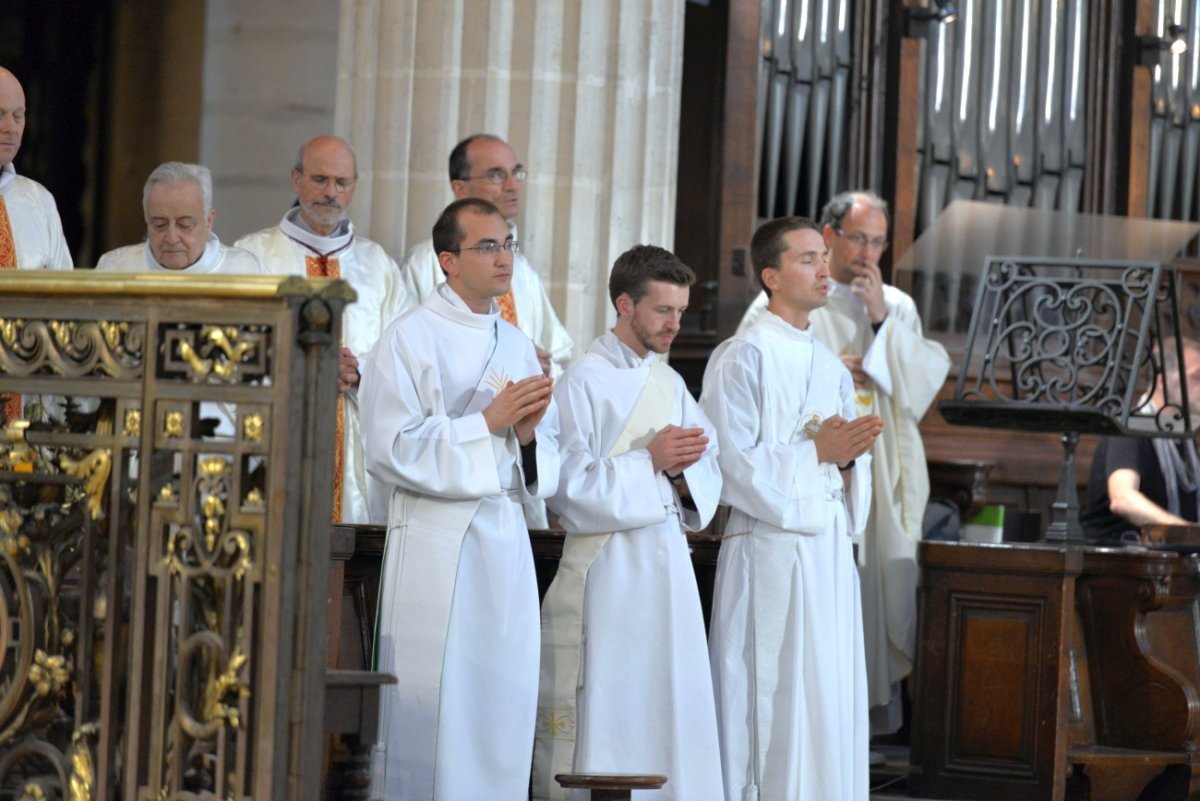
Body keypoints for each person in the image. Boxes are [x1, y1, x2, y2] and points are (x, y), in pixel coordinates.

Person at [360, 197, 560, 800]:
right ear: (448, 259)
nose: (505, 258)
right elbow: (388, 447)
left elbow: (543, 459)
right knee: (440, 701)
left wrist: (525, 440)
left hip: (502, 539)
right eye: (488, 247)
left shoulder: (517, 344)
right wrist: (487, 424)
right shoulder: (408, 338)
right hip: (434, 539)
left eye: (509, 244)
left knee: (499, 694)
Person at [741, 190, 950, 731]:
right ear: (830, 236)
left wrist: (881, 323)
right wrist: (828, 366)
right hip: (809, 472)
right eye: (859, 238)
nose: (868, 252)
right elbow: (757, 367)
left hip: (880, 466)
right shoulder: (787, 299)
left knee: (883, 585)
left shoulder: (896, 305)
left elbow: (922, 386)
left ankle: (866, 724)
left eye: (878, 241)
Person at [700, 216, 883, 801]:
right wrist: (817, 454)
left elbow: (844, 469)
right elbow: (730, 465)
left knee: (825, 692)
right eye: (808, 259)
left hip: (826, 551)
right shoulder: (740, 357)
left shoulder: (830, 364)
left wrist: (850, 461)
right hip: (769, 548)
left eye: (824, 257)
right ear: (771, 276)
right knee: (767, 697)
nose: (825, 268)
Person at [533, 245, 723, 801]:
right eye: (664, 310)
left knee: (668, 695)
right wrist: (652, 464)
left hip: (666, 566)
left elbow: (706, 471)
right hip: (608, 570)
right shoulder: (582, 383)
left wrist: (685, 479)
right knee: (613, 697)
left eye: (681, 312)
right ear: (624, 304)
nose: (675, 324)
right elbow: (567, 488)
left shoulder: (670, 384)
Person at [236, 135, 412, 524]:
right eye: (319, 180)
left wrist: (360, 370)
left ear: (354, 188)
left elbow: (410, 351)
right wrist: (304, 366)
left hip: (360, 452)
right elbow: (233, 347)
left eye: (341, 183)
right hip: (278, 438)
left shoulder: (377, 264)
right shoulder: (251, 255)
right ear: (296, 179)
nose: (330, 193)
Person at [398, 134, 573, 378]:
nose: (513, 186)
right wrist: (510, 356)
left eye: (516, 173)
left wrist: (541, 365)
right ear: (460, 187)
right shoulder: (425, 262)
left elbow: (559, 352)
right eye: (496, 175)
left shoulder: (522, 269)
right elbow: (406, 352)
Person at [1082, 338, 1200, 542]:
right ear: (1162, 381)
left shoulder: (1187, 438)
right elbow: (1122, 498)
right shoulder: (1130, 426)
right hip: (1119, 562)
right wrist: (1186, 533)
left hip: (1169, 562)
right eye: (1197, 377)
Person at [96, 162, 263, 275]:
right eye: (160, 224)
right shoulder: (114, 269)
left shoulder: (246, 271)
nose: (172, 238)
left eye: (185, 224)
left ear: (209, 221)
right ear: (147, 221)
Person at [0, 67, 72, 270]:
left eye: (18, 116)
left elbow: (64, 291)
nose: (11, 128)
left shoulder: (38, 200)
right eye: (0, 114)